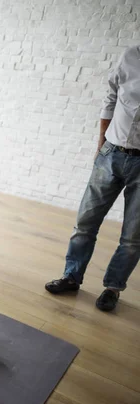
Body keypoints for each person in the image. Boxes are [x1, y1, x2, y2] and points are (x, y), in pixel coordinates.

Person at [45, 45, 140, 312]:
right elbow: (110, 96)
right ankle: (71, 276)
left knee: (133, 237)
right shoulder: (131, 56)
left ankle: (112, 288)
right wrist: (101, 142)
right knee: (85, 222)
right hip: (112, 152)